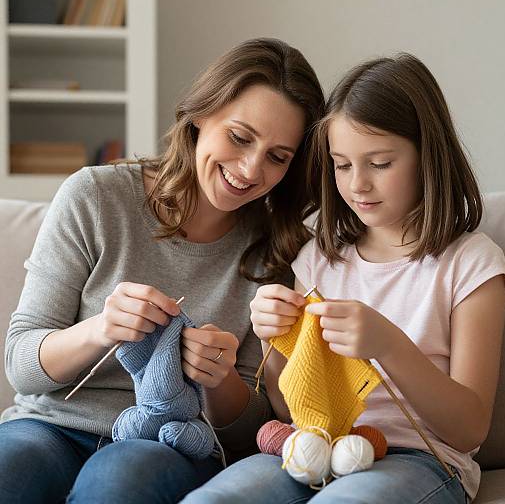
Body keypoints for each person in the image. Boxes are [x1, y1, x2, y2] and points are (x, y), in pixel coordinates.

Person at [0, 38, 324, 504]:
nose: (250, 169)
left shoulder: (279, 252)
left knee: (119, 482)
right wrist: (100, 330)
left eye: (278, 156)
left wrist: (221, 379)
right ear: (198, 115)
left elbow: (251, 431)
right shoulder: (93, 197)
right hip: (50, 428)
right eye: (239, 137)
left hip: (170, 442)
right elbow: (20, 366)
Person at [183, 53, 505, 503]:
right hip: (310, 447)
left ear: (427, 156)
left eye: (379, 164)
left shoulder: (471, 264)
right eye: (342, 165)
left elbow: (469, 427)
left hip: (420, 458)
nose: (357, 185)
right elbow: (287, 406)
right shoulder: (317, 259)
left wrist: (388, 345)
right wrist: (274, 339)